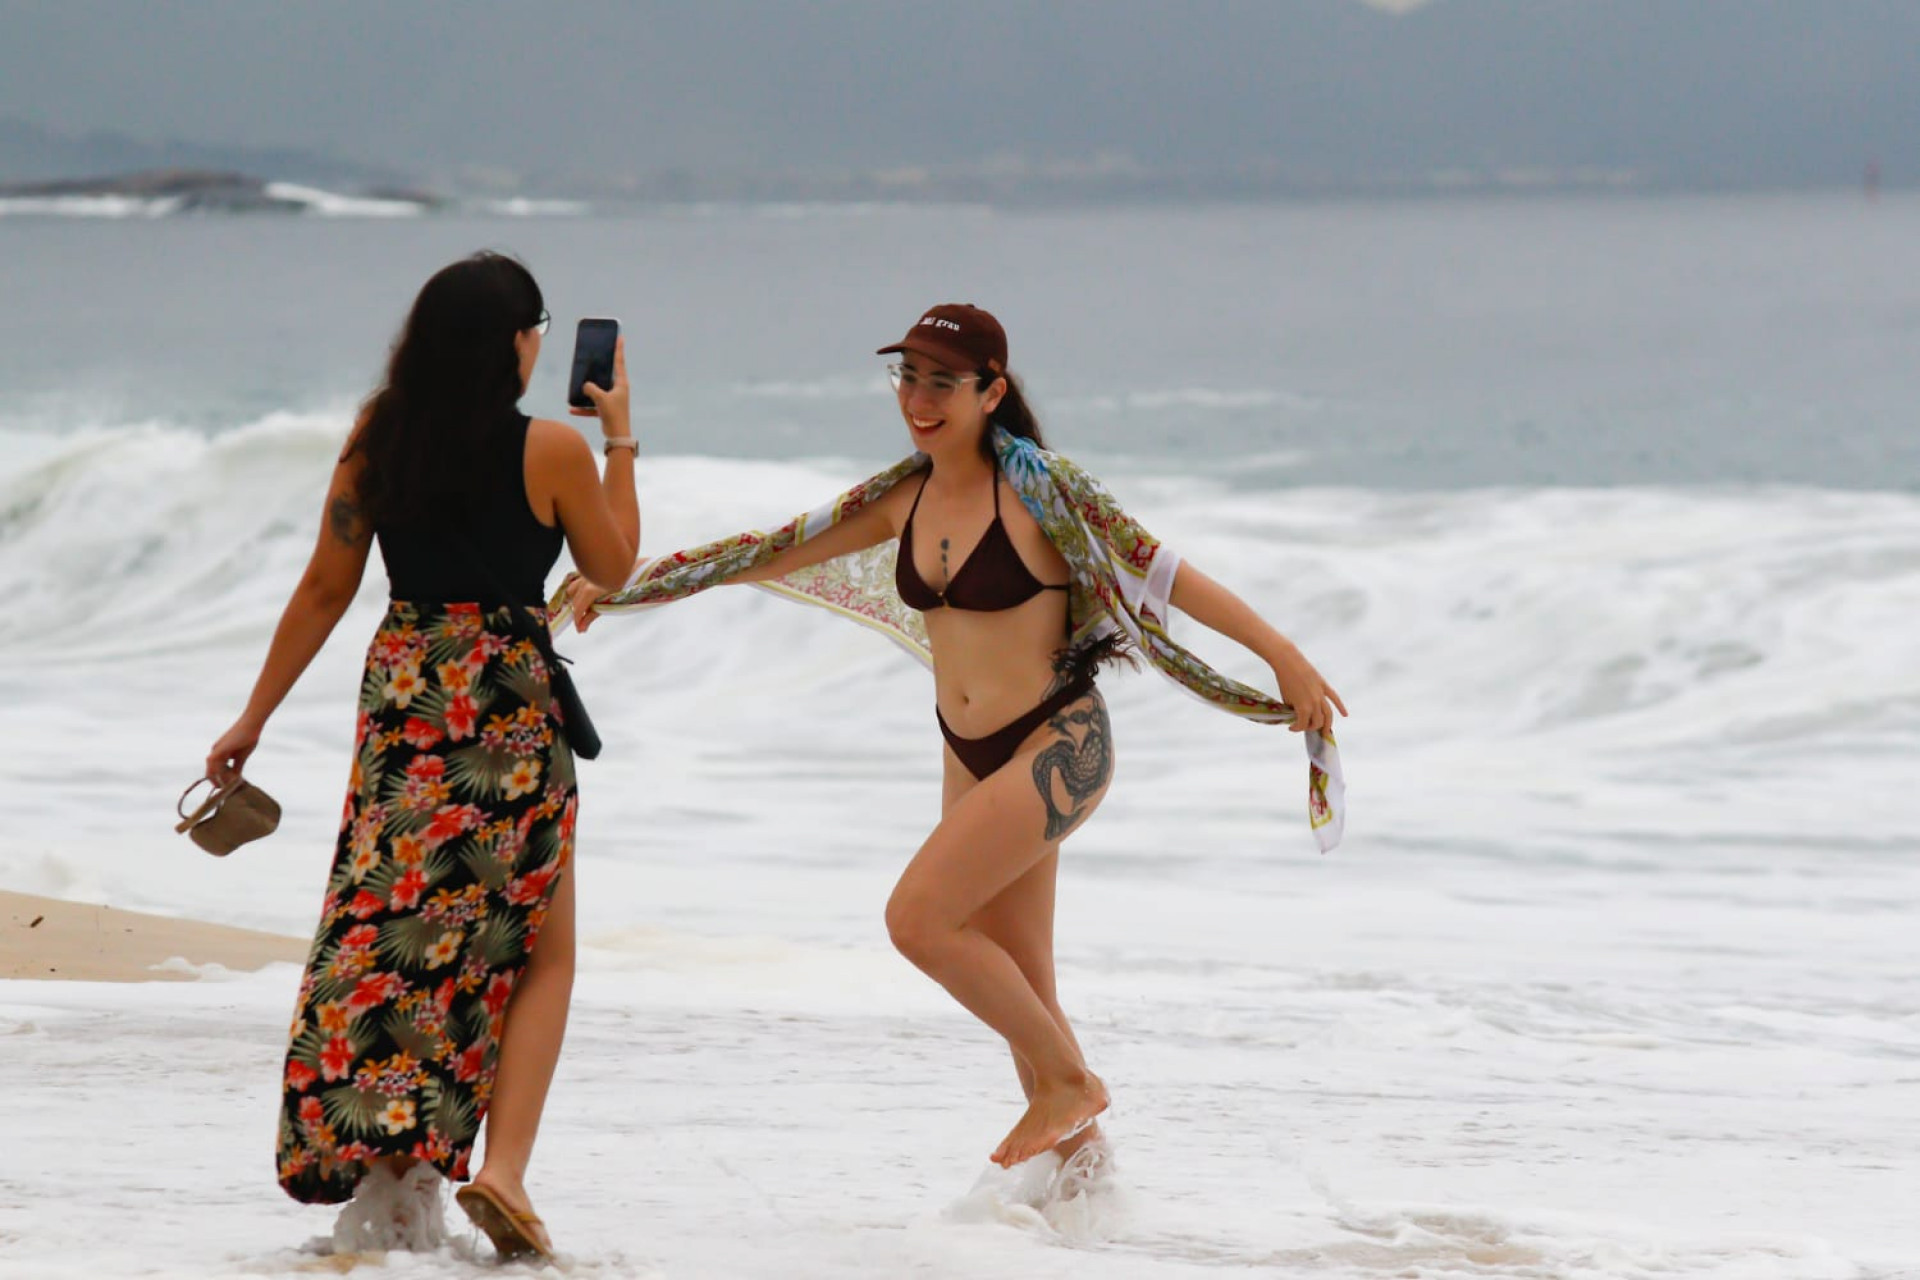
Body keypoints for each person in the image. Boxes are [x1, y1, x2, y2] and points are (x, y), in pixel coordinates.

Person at [566, 303, 1346, 1187]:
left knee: (919, 921)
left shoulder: (1046, 491)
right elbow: (769, 552)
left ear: (992, 391)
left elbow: (1164, 573)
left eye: (944, 381)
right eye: (908, 377)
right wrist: (627, 585)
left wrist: (1284, 657)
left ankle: (1071, 1086)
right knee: (1026, 988)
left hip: (1057, 742)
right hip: (967, 752)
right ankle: (1088, 1202)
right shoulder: (901, 494)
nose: (920, 397)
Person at [204, 252, 640, 1260]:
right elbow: (614, 565)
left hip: (407, 692)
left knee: (391, 919)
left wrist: (251, 718)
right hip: (508, 708)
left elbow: (323, 586)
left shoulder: (377, 437)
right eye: (537, 328)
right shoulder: (555, 449)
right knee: (539, 942)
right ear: (518, 342)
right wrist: (620, 435)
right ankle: (504, 1171)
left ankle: (389, 1165)